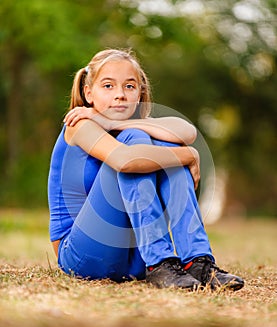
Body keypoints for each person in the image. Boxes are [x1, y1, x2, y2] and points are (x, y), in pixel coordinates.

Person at [48, 48, 244, 291]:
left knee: (164, 143)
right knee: (145, 144)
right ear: (89, 93)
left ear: (140, 93)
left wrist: (113, 122)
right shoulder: (79, 125)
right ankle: (159, 260)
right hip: (82, 255)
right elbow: (125, 161)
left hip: (132, 257)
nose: (119, 95)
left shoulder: (126, 125)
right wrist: (188, 155)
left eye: (129, 86)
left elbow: (187, 131)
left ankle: (197, 261)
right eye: (108, 86)